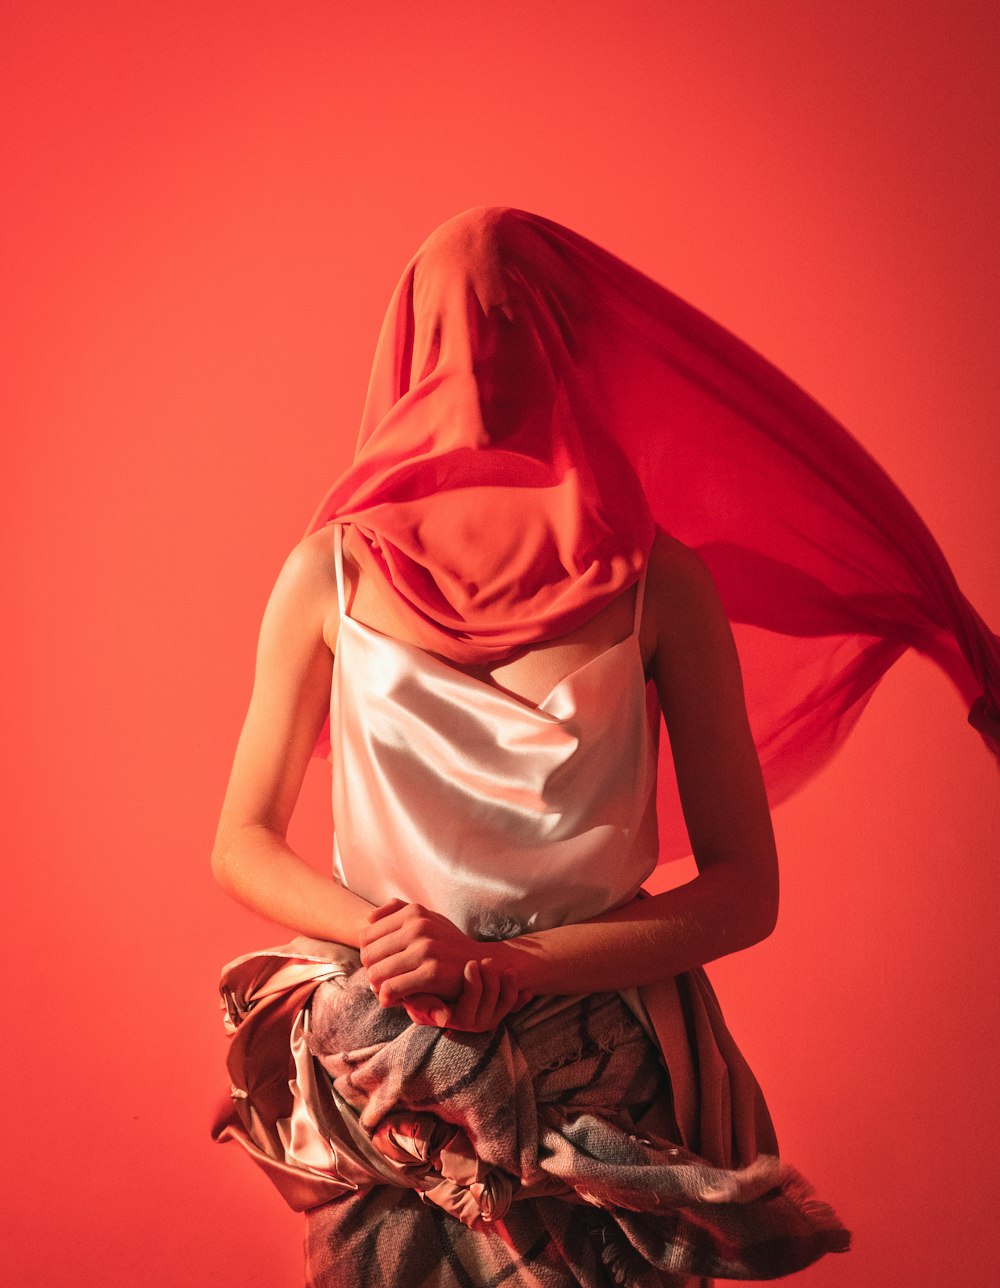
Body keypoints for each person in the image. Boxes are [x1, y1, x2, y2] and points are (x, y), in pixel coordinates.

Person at [211, 207, 998, 1287]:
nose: (482, 369)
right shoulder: (330, 575)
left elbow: (742, 890)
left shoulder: (658, 584)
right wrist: (397, 941)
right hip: (402, 1067)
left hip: (597, 1074)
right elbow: (239, 839)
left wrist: (492, 964)